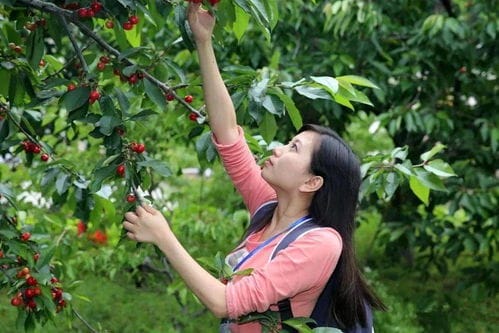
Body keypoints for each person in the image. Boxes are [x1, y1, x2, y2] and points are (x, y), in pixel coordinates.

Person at [123, 2, 385, 332]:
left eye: (293, 148)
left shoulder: (322, 243)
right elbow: (228, 135)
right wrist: (203, 41)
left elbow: (225, 302)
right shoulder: (268, 208)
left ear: (312, 182)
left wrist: (165, 238)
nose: (277, 148)